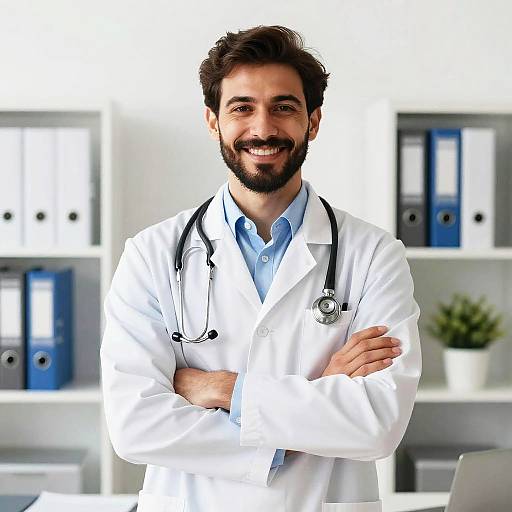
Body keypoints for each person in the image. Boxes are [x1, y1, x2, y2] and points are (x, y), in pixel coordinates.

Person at [100, 25, 422, 512]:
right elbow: (135, 425)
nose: (263, 128)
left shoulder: (375, 255)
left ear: (313, 121)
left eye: (284, 107)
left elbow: (377, 424)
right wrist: (316, 400)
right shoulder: (151, 254)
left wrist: (218, 388)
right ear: (213, 121)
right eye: (242, 107)